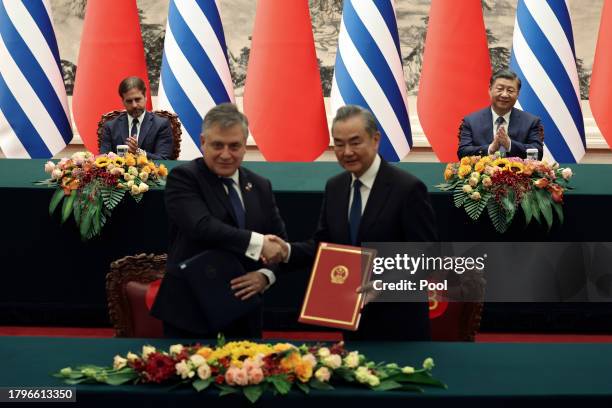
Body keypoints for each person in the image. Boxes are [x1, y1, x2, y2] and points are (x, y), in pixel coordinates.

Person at [272, 105, 438, 341]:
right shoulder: (335, 187)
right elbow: (324, 245)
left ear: (375, 140)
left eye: (355, 142)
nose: (347, 151)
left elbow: (426, 256)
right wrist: (285, 251)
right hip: (351, 322)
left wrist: (384, 285)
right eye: (339, 144)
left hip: (399, 323)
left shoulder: (407, 189)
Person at [151, 103, 287, 338]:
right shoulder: (184, 178)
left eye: (234, 146)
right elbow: (202, 227)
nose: (226, 154)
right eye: (217, 145)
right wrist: (258, 243)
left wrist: (265, 276)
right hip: (190, 312)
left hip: (244, 313)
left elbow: (279, 243)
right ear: (203, 142)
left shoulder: (260, 185)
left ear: (245, 146)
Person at [458, 69, 544, 159]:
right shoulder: (471, 121)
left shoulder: (531, 122)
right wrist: (489, 149)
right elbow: (463, 153)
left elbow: (538, 153)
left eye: (510, 90)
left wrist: (509, 144)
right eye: (500, 89)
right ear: (490, 90)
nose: (504, 95)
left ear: (518, 94)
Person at [100, 76, 174, 160]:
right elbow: (104, 159)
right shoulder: (110, 126)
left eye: (137, 99)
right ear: (123, 101)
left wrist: (138, 152)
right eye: (129, 101)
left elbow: (164, 159)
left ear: (145, 97)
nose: (134, 105)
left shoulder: (161, 125)